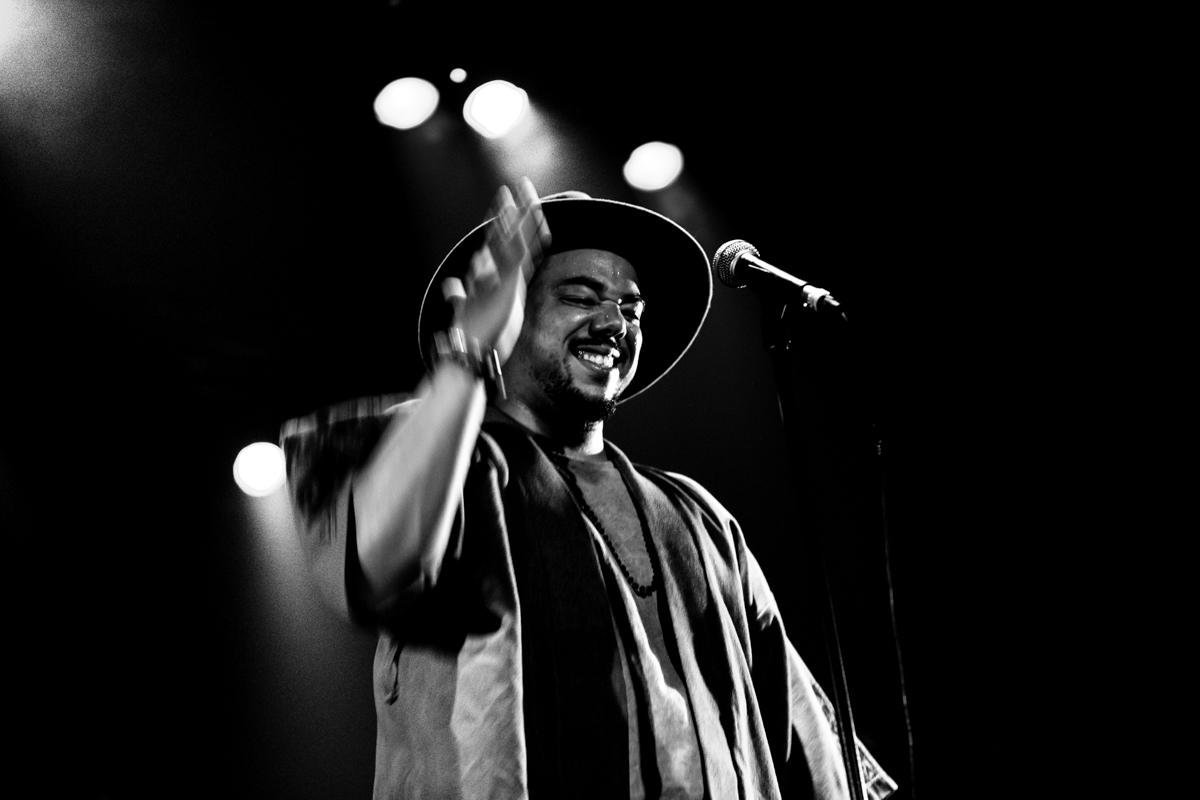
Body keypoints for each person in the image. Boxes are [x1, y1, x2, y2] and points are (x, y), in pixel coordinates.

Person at [281, 180, 897, 799]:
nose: (614, 323)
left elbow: (810, 740)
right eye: (580, 297)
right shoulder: (442, 460)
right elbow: (375, 565)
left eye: (632, 309)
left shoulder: (698, 517)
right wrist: (470, 355)